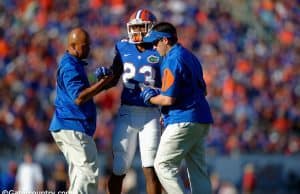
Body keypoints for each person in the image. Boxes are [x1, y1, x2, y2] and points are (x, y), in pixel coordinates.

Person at [141, 22, 214, 194]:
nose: (154, 46)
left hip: (183, 119)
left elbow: (168, 99)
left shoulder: (172, 58)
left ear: (165, 40)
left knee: (162, 164)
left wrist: (151, 99)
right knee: (197, 170)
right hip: (201, 119)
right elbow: (203, 90)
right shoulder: (190, 56)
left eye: (155, 42)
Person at [95, 9, 162, 194]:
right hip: (127, 112)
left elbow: (170, 83)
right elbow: (114, 77)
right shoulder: (123, 47)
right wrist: (104, 78)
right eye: (135, 27)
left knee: (150, 168)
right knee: (119, 167)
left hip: (151, 113)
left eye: (141, 27)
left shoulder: (160, 50)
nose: (136, 32)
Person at [49, 27, 113, 193]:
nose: (89, 49)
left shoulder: (74, 64)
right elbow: (78, 97)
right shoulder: (70, 66)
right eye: (85, 46)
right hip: (72, 125)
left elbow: (82, 88)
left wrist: (96, 80)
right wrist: (103, 84)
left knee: (80, 172)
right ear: (73, 45)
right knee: (87, 172)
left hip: (73, 125)